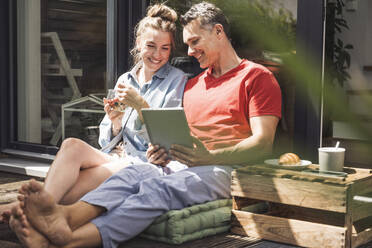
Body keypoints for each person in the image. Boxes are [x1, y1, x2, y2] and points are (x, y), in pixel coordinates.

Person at [10, 2, 282, 248]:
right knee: (134, 175)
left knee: (155, 189)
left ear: (219, 31)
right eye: (186, 44)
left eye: (195, 41)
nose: (189, 52)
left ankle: (70, 241)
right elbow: (176, 133)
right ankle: (63, 218)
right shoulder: (194, 84)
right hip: (184, 163)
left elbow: (263, 142)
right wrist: (164, 149)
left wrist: (208, 156)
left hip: (224, 169)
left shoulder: (256, 77)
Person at [0, 3, 188, 222]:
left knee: (80, 181)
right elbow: (105, 139)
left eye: (165, 48)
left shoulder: (177, 80)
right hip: (117, 156)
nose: (158, 54)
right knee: (71, 144)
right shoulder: (125, 80)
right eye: (151, 45)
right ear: (138, 43)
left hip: (144, 164)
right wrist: (115, 122)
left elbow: (169, 138)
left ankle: (29, 207)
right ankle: (34, 207)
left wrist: (140, 104)